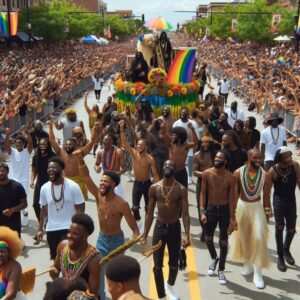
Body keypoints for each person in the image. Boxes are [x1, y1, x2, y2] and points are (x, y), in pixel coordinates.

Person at [76, 156, 139, 300]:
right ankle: (101, 297)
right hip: (101, 240)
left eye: (105, 182)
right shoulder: (98, 195)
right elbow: (85, 177)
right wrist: (80, 160)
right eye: (101, 181)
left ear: (113, 185)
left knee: (116, 278)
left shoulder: (122, 204)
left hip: (117, 243)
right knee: (97, 273)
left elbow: (134, 228)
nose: (102, 184)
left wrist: (136, 236)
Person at [141, 160, 190, 300]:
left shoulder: (181, 189)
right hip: (159, 229)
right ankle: (162, 295)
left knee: (174, 265)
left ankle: (170, 285)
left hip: (174, 229)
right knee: (157, 266)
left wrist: (187, 234)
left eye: (170, 166)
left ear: (175, 170)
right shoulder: (154, 188)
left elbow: (185, 214)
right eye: (165, 165)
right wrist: (145, 234)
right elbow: (149, 214)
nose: (167, 167)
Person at [230, 149, 272, 289]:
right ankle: (247, 264)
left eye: (260, 158)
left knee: (259, 238)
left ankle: (258, 272)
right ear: (248, 157)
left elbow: (266, 196)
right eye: (255, 158)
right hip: (242, 207)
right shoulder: (237, 173)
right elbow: (234, 196)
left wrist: (267, 212)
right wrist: (233, 216)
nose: (258, 160)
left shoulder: (265, 175)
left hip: (257, 208)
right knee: (244, 238)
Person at [37, 157, 85, 260]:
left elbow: (80, 209)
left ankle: (67, 276)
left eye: (54, 167)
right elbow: (43, 210)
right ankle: (58, 276)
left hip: (68, 228)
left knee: (66, 257)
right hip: (51, 229)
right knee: (55, 259)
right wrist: (40, 228)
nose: (50, 170)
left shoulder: (73, 186)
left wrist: (79, 228)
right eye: (49, 168)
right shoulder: (44, 188)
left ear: (61, 169)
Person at [199, 150, 235, 285]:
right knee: (208, 238)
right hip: (211, 209)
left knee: (223, 242)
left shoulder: (231, 177)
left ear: (225, 161)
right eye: (216, 157)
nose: (217, 159)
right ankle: (214, 258)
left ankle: (221, 270)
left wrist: (233, 218)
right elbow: (202, 193)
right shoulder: (207, 173)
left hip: (225, 210)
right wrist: (202, 211)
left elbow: (232, 200)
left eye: (220, 158)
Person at [120, 120, 159, 224]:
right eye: (138, 145)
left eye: (142, 145)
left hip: (147, 184)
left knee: (148, 207)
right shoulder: (133, 153)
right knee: (135, 207)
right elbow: (124, 142)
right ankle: (138, 222)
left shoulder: (150, 158)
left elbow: (155, 175)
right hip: (137, 184)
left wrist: (157, 187)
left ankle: (146, 224)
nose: (139, 147)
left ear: (145, 147)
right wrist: (121, 129)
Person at [51, 213, 100, 296]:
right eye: (69, 232)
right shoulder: (62, 246)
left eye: (75, 234)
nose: (69, 236)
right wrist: (53, 272)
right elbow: (56, 268)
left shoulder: (93, 259)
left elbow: (92, 293)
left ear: (85, 235)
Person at [269, 147, 300, 272]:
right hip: (279, 202)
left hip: (291, 201)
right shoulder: (273, 170)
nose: (290, 157)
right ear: (280, 157)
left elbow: (299, 182)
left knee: (291, 229)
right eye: (287, 156)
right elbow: (267, 191)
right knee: (279, 227)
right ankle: (280, 256)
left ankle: (286, 249)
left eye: (290, 155)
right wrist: (267, 208)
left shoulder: (295, 166)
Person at [49, 121, 97, 201]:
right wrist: (50, 128)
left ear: (75, 146)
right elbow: (52, 141)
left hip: (78, 181)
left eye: (70, 145)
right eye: (67, 145)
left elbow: (92, 141)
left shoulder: (79, 153)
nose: (68, 146)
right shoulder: (61, 153)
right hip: (65, 180)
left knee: (79, 203)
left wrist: (95, 129)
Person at [4, 127, 33, 226]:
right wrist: (8, 134)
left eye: (20, 143)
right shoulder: (12, 152)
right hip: (14, 179)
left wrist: (28, 134)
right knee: (14, 200)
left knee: (22, 200)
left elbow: (31, 144)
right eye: (16, 143)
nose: (18, 144)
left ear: (23, 144)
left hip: (24, 180)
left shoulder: (27, 152)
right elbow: (5, 144)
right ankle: (17, 216)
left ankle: (24, 214)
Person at [193, 136, 215, 241]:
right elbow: (195, 171)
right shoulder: (197, 155)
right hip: (201, 183)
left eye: (207, 142)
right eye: (203, 142)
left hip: (214, 184)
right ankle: (204, 231)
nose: (205, 144)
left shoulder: (216, 155)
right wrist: (206, 174)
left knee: (210, 208)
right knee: (201, 208)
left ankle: (208, 231)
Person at [30, 138, 56, 221]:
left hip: (51, 184)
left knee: (50, 205)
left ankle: (50, 222)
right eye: (41, 145)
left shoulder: (53, 157)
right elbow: (34, 170)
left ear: (48, 146)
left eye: (44, 145)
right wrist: (32, 181)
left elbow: (59, 171)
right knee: (35, 205)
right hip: (39, 183)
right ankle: (42, 221)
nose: (42, 146)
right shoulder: (36, 157)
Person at [172, 108, 199, 185]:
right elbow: (173, 134)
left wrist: (192, 129)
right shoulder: (176, 123)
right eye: (181, 113)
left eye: (184, 113)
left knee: (190, 159)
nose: (182, 115)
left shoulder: (193, 123)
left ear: (188, 114)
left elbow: (197, 137)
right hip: (178, 145)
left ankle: (190, 177)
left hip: (189, 144)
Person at [0, 163, 27, 236]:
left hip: (13, 226)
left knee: (14, 247)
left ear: (7, 172)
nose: (0, 173)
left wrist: (12, 210)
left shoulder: (17, 186)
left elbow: (24, 204)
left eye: (3, 171)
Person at [0, 226, 27, 299]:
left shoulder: (15, 267)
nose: (0, 255)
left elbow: (11, 294)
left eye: (2, 251)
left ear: (8, 252)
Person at [83, 92, 102, 156]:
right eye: (93, 108)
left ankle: (94, 151)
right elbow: (85, 105)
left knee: (97, 141)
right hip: (92, 128)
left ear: (97, 109)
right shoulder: (90, 112)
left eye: (95, 108)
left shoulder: (100, 114)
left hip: (98, 129)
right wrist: (85, 95)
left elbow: (101, 122)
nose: (94, 109)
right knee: (93, 139)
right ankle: (88, 149)